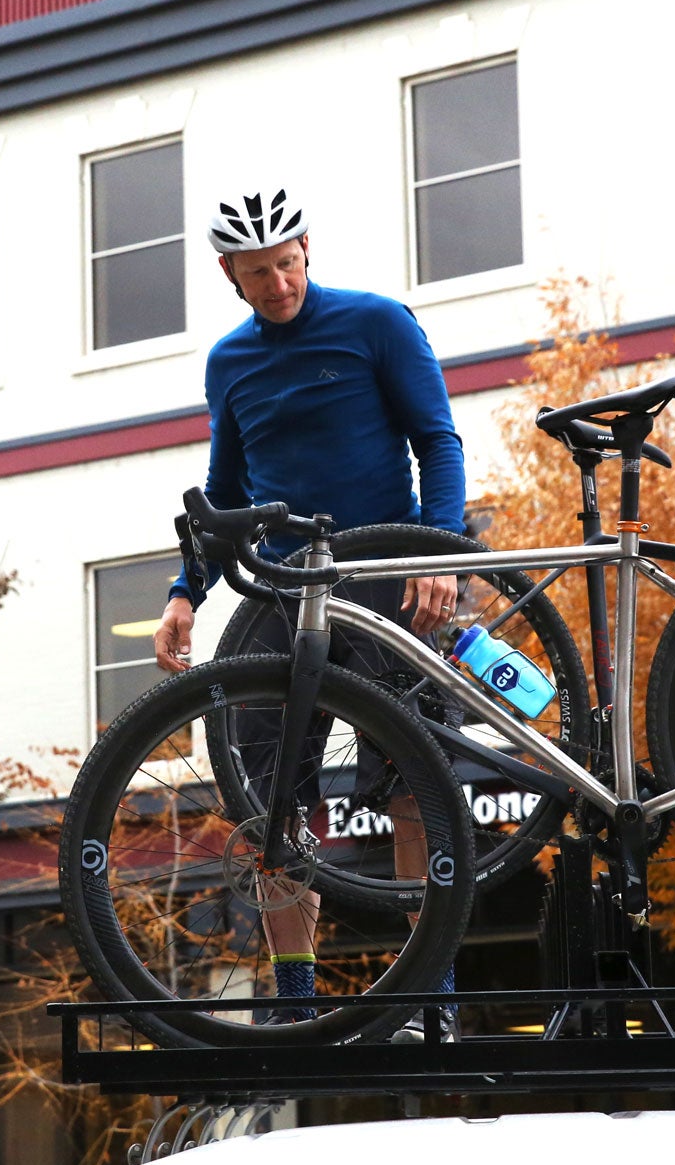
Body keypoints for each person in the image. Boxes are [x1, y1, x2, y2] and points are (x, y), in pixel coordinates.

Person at [151, 185, 465, 1036]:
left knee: (413, 787)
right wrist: (186, 592)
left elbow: (438, 440)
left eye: (287, 264)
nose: (280, 285)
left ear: (306, 250)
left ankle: (427, 998)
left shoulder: (376, 323)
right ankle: (297, 1000)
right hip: (285, 595)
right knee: (265, 806)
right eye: (259, 274)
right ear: (231, 275)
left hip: (388, 576)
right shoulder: (230, 363)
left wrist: (436, 553)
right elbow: (224, 496)